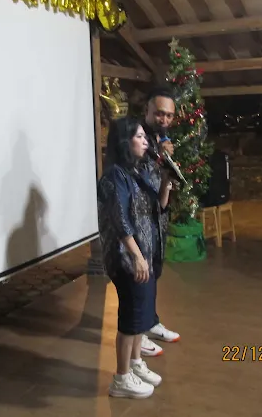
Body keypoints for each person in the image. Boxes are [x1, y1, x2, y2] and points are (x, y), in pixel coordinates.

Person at [97, 117, 173, 399]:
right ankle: (121, 378)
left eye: (145, 136)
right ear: (124, 141)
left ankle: (135, 363)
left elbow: (158, 207)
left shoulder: (137, 172)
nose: (145, 141)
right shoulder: (114, 176)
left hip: (144, 254)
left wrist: (166, 183)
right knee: (130, 316)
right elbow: (120, 221)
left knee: (141, 314)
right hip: (127, 258)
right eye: (139, 137)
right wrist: (138, 257)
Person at [138, 86, 181, 358]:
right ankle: (137, 332)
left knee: (154, 271)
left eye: (169, 115)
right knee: (141, 276)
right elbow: (135, 172)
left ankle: (150, 322)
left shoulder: (160, 138)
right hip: (140, 218)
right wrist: (159, 157)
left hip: (158, 214)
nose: (164, 119)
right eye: (159, 113)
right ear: (147, 111)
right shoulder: (137, 138)